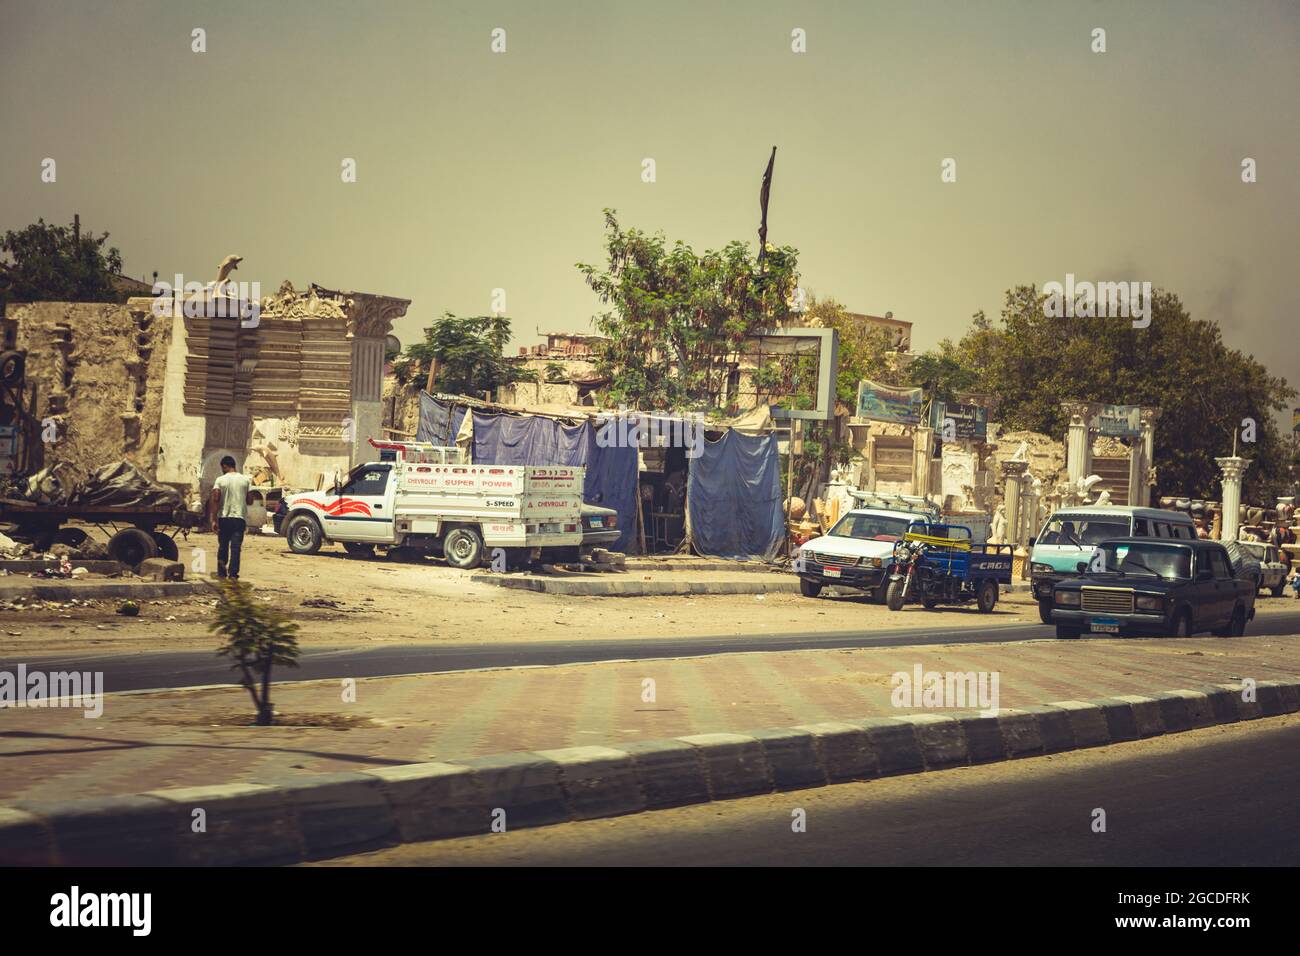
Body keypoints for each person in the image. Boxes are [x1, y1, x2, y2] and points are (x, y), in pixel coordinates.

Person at [209, 456, 253, 579]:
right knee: (236, 547)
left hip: (224, 518)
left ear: (224, 466)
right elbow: (249, 500)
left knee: (223, 546)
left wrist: (213, 519)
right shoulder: (245, 480)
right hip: (239, 519)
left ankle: (221, 572)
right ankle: (233, 574)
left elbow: (216, 499)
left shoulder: (220, 480)